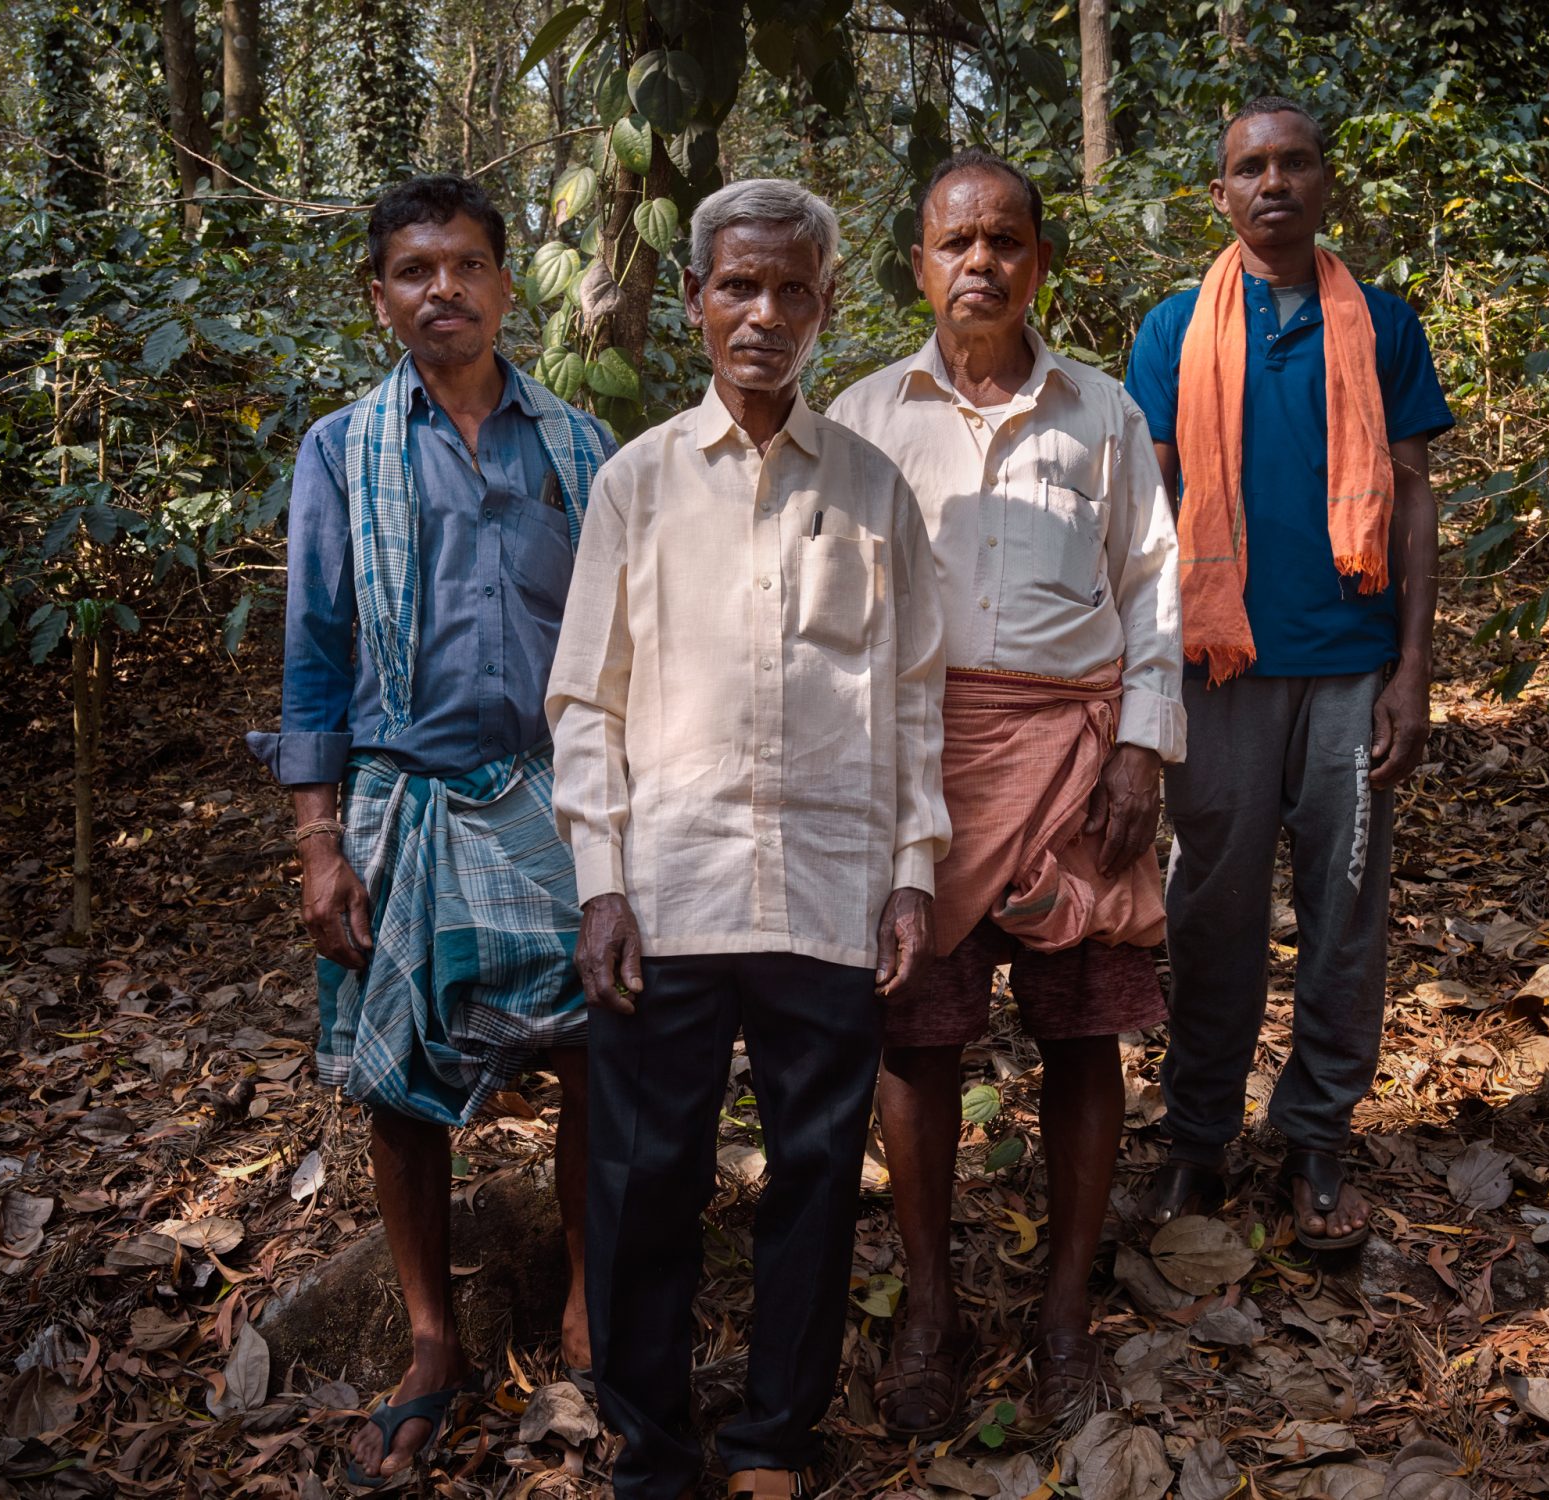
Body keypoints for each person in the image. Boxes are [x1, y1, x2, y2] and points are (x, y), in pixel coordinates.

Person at [547, 178, 949, 1500]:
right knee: (644, 1175)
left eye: (789, 290)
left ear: (825, 306)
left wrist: (911, 871)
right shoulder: (638, 483)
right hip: (666, 891)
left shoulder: (875, 488)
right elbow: (585, 699)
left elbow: (913, 696)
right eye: (737, 286)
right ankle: (652, 1446)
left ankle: (775, 1437)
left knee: (817, 1175)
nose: (763, 314)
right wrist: (600, 883)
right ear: (696, 301)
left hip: (829, 892)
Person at [245, 174, 615, 1487]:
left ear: (507, 286)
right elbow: (314, 654)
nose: (442, 289)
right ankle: (428, 1339)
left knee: (596, 1050)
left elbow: (630, 639)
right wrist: (317, 842)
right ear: (380, 296)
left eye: (465, 265)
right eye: (414, 270)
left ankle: (589, 1305)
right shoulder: (342, 451)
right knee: (398, 1086)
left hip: (558, 794)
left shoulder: (582, 446)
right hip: (402, 798)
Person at [829, 150, 1184, 1431]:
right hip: (919, 762)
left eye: (1005, 241)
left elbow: (1152, 586)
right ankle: (931, 1309)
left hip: (1079, 761)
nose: (980, 262)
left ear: (1040, 261)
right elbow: (832, 611)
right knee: (917, 1036)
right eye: (955, 242)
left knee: (1084, 1029)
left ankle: (1065, 1316)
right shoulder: (864, 418)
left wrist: (1141, 748)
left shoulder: (1104, 414)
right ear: (918, 266)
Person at [1123, 98, 1454, 1250]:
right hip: (1217, 668)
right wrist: (1139, 681)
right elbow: (1146, 518)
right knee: (1208, 915)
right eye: (1250, 167)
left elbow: (1411, 501)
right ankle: (1197, 1138)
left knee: (1342, 913)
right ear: (1220, 194)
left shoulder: (1384, 325)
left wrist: (1414, 669)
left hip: (1351, 670)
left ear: (1326, 182)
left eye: (1295, 161)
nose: (1273, 182)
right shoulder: (1173, 331)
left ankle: (1317, 1137)